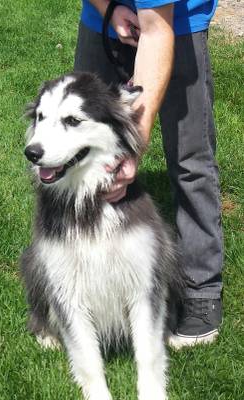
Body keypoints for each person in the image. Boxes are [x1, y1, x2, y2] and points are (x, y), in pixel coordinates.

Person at [74, 0, 223, 348]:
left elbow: (157, 29)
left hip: (177, 24)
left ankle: (201, 287)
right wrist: (107, 8)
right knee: (86, 151)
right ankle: (96, 280)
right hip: (101, 19)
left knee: (190, 158)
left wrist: (133, 146)